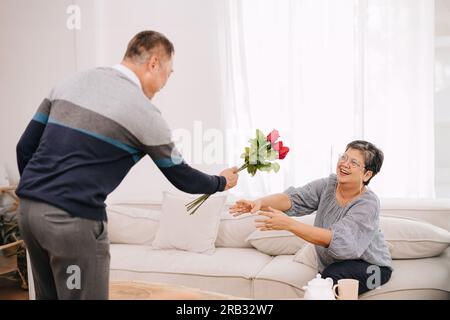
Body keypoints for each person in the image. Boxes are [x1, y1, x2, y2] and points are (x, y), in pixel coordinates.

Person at [16, 30, 238, 300]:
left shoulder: (69, 83)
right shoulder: (144, 113)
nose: (165, 83)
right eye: (169, 73)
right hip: (72, 225)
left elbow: (24, 147)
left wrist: (38, 196)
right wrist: (221, 181)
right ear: (153, 63)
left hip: (29, 215)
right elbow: (182, 176)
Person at [230, 140, 392, 295]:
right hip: (337, 265)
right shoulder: (327, 185)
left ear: (367, 174)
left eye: (354, 163)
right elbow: (292, 198)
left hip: (374, 269)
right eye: (344, 157)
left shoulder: (368, 203)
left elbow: (341, 241)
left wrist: (290, 225)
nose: (344, 164)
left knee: (332, 278)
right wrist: (259, 202)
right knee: (330, 275)